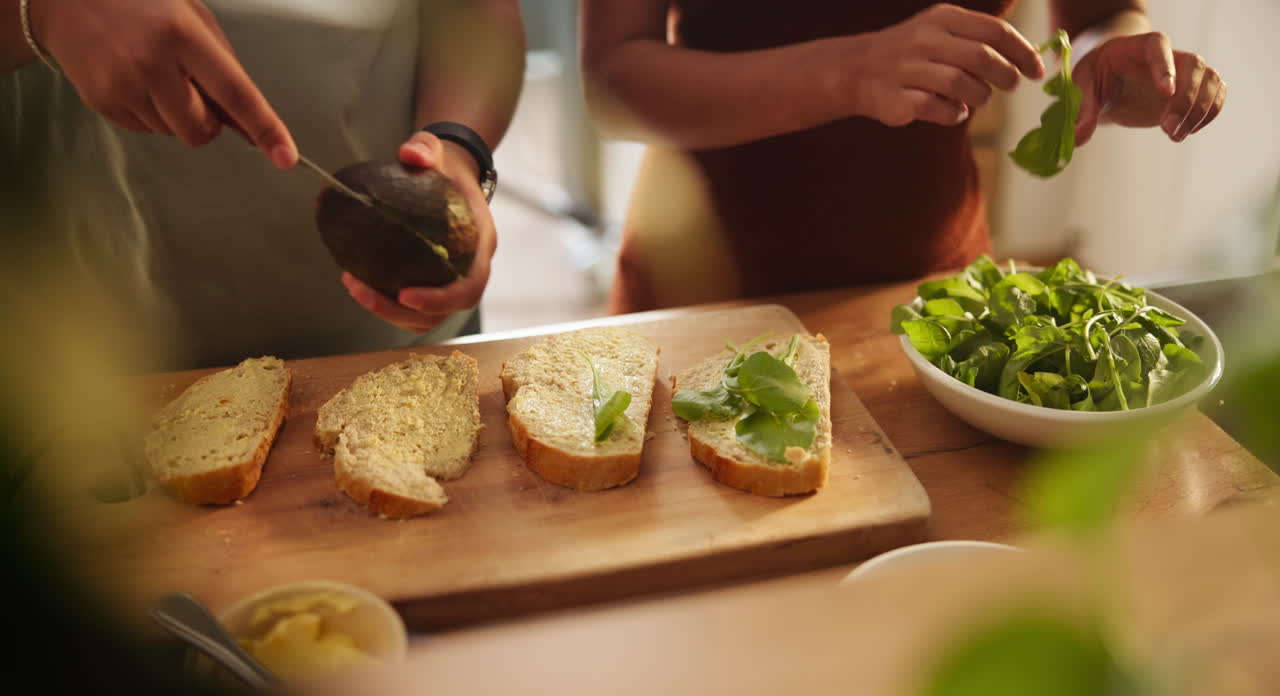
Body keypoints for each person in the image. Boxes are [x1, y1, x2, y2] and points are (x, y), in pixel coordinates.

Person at [580, 1, 1228, 314]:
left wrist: (1124, 56)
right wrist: (851, 72)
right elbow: (613, 82)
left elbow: (1105, 12)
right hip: (704, 285)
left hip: (932, 297)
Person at [1, 0, 525, 369]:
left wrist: (456, 147)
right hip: (76, 349)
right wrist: (45, 11)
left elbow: (478, 11)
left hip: (384, 335)